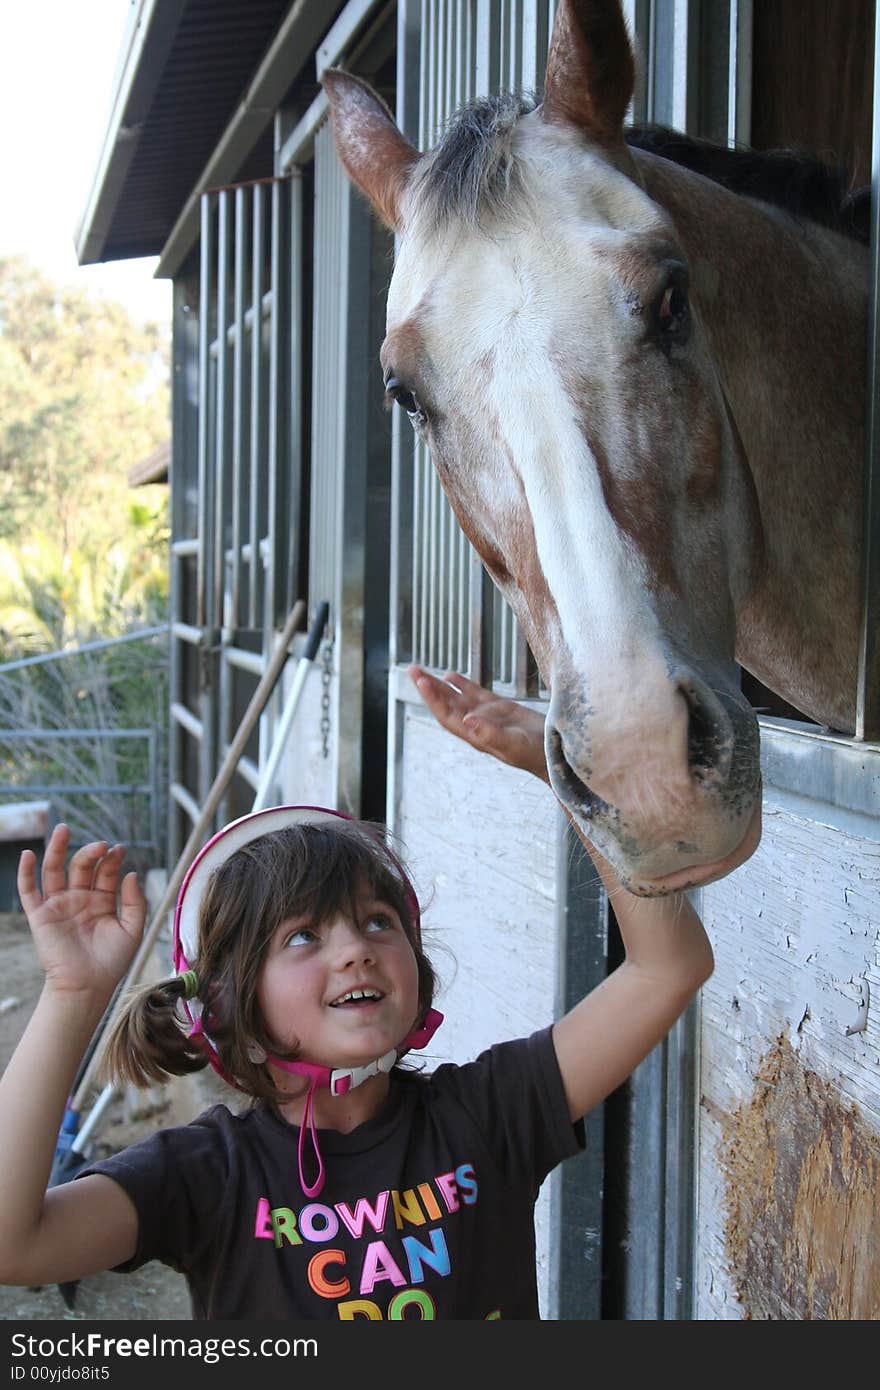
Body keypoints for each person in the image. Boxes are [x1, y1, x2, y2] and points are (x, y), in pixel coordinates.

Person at [0, 666, 727, 1321]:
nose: (356, 949)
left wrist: (566, 775)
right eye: (303, 937)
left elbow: (668, 966)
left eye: (379, 922)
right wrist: (72, 992)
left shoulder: (489, 1114)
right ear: (228, 1004)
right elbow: (15, 1245)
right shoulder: (207, 1176)